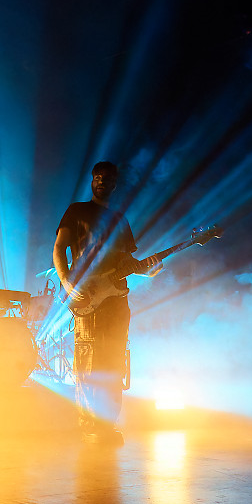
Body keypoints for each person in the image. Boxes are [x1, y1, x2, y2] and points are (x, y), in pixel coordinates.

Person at [53, 161, 161, 446]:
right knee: (89, 362)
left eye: (107, 178)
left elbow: (128, 263)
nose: (101, 181)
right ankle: (89, 424)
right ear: (92, 181)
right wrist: (66, 281)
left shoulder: (120, 220)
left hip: (117, 298)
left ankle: (108, 424)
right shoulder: (77, 211)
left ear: (114, 184)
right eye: (97, 177)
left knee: (113, 362)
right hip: (88, 294)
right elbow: (58, 248)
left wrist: (146, 268)